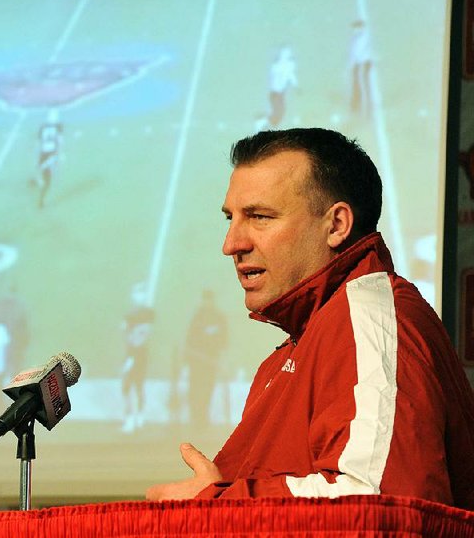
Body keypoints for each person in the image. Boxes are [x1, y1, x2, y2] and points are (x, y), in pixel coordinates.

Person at [146, 128, 474, 509]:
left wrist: (218, 501)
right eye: (230, 219)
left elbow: (376, 501)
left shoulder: (368, 318)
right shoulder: (298, 345)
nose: (231, 244)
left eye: (260, 216)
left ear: (336, 225)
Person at [183, 288, 227, 429]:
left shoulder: (218, 317)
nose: (206, 303)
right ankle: (196, 419)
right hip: (196, 362)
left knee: (207, 389)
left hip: (211, 361)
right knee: (195, 389)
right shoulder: (197, 317)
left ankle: (203, 419)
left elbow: (224, 339)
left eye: (208, 300)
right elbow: (189, 339)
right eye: (205, 300)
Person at [120, 283, 155, 433]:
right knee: (129, 386)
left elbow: (142, 336)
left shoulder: (147, 314)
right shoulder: (131, 314)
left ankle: (135, 417)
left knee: (134, 385)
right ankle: (133, 416)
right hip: (132, 354)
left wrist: (132, 357)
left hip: (138, 355)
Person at [256, 46, 297, 131]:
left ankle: (266, 124)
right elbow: (289, 77)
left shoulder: (283, 65)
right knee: (278, 111)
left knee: (279, 111)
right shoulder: (279, 65)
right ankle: (263, 123)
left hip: (279, 93)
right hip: (277, 92)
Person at [32, 109, 64, 209]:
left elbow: (38, 143)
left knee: (47, 178)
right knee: (48, 181)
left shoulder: (43, 127)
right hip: (51, 155)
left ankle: (38, 181)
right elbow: (60, 141)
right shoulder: (58, 127)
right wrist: (59, 154)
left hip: (43, 154)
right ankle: (40, 198)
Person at [349, 20, 373, 116]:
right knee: (357, 84)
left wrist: (354, 64)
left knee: (363, 85)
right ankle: (357, 105)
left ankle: (366, 107)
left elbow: (358, 53)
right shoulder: (355, 39)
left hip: (363, 63)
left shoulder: (362, 38)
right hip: (358, 64)